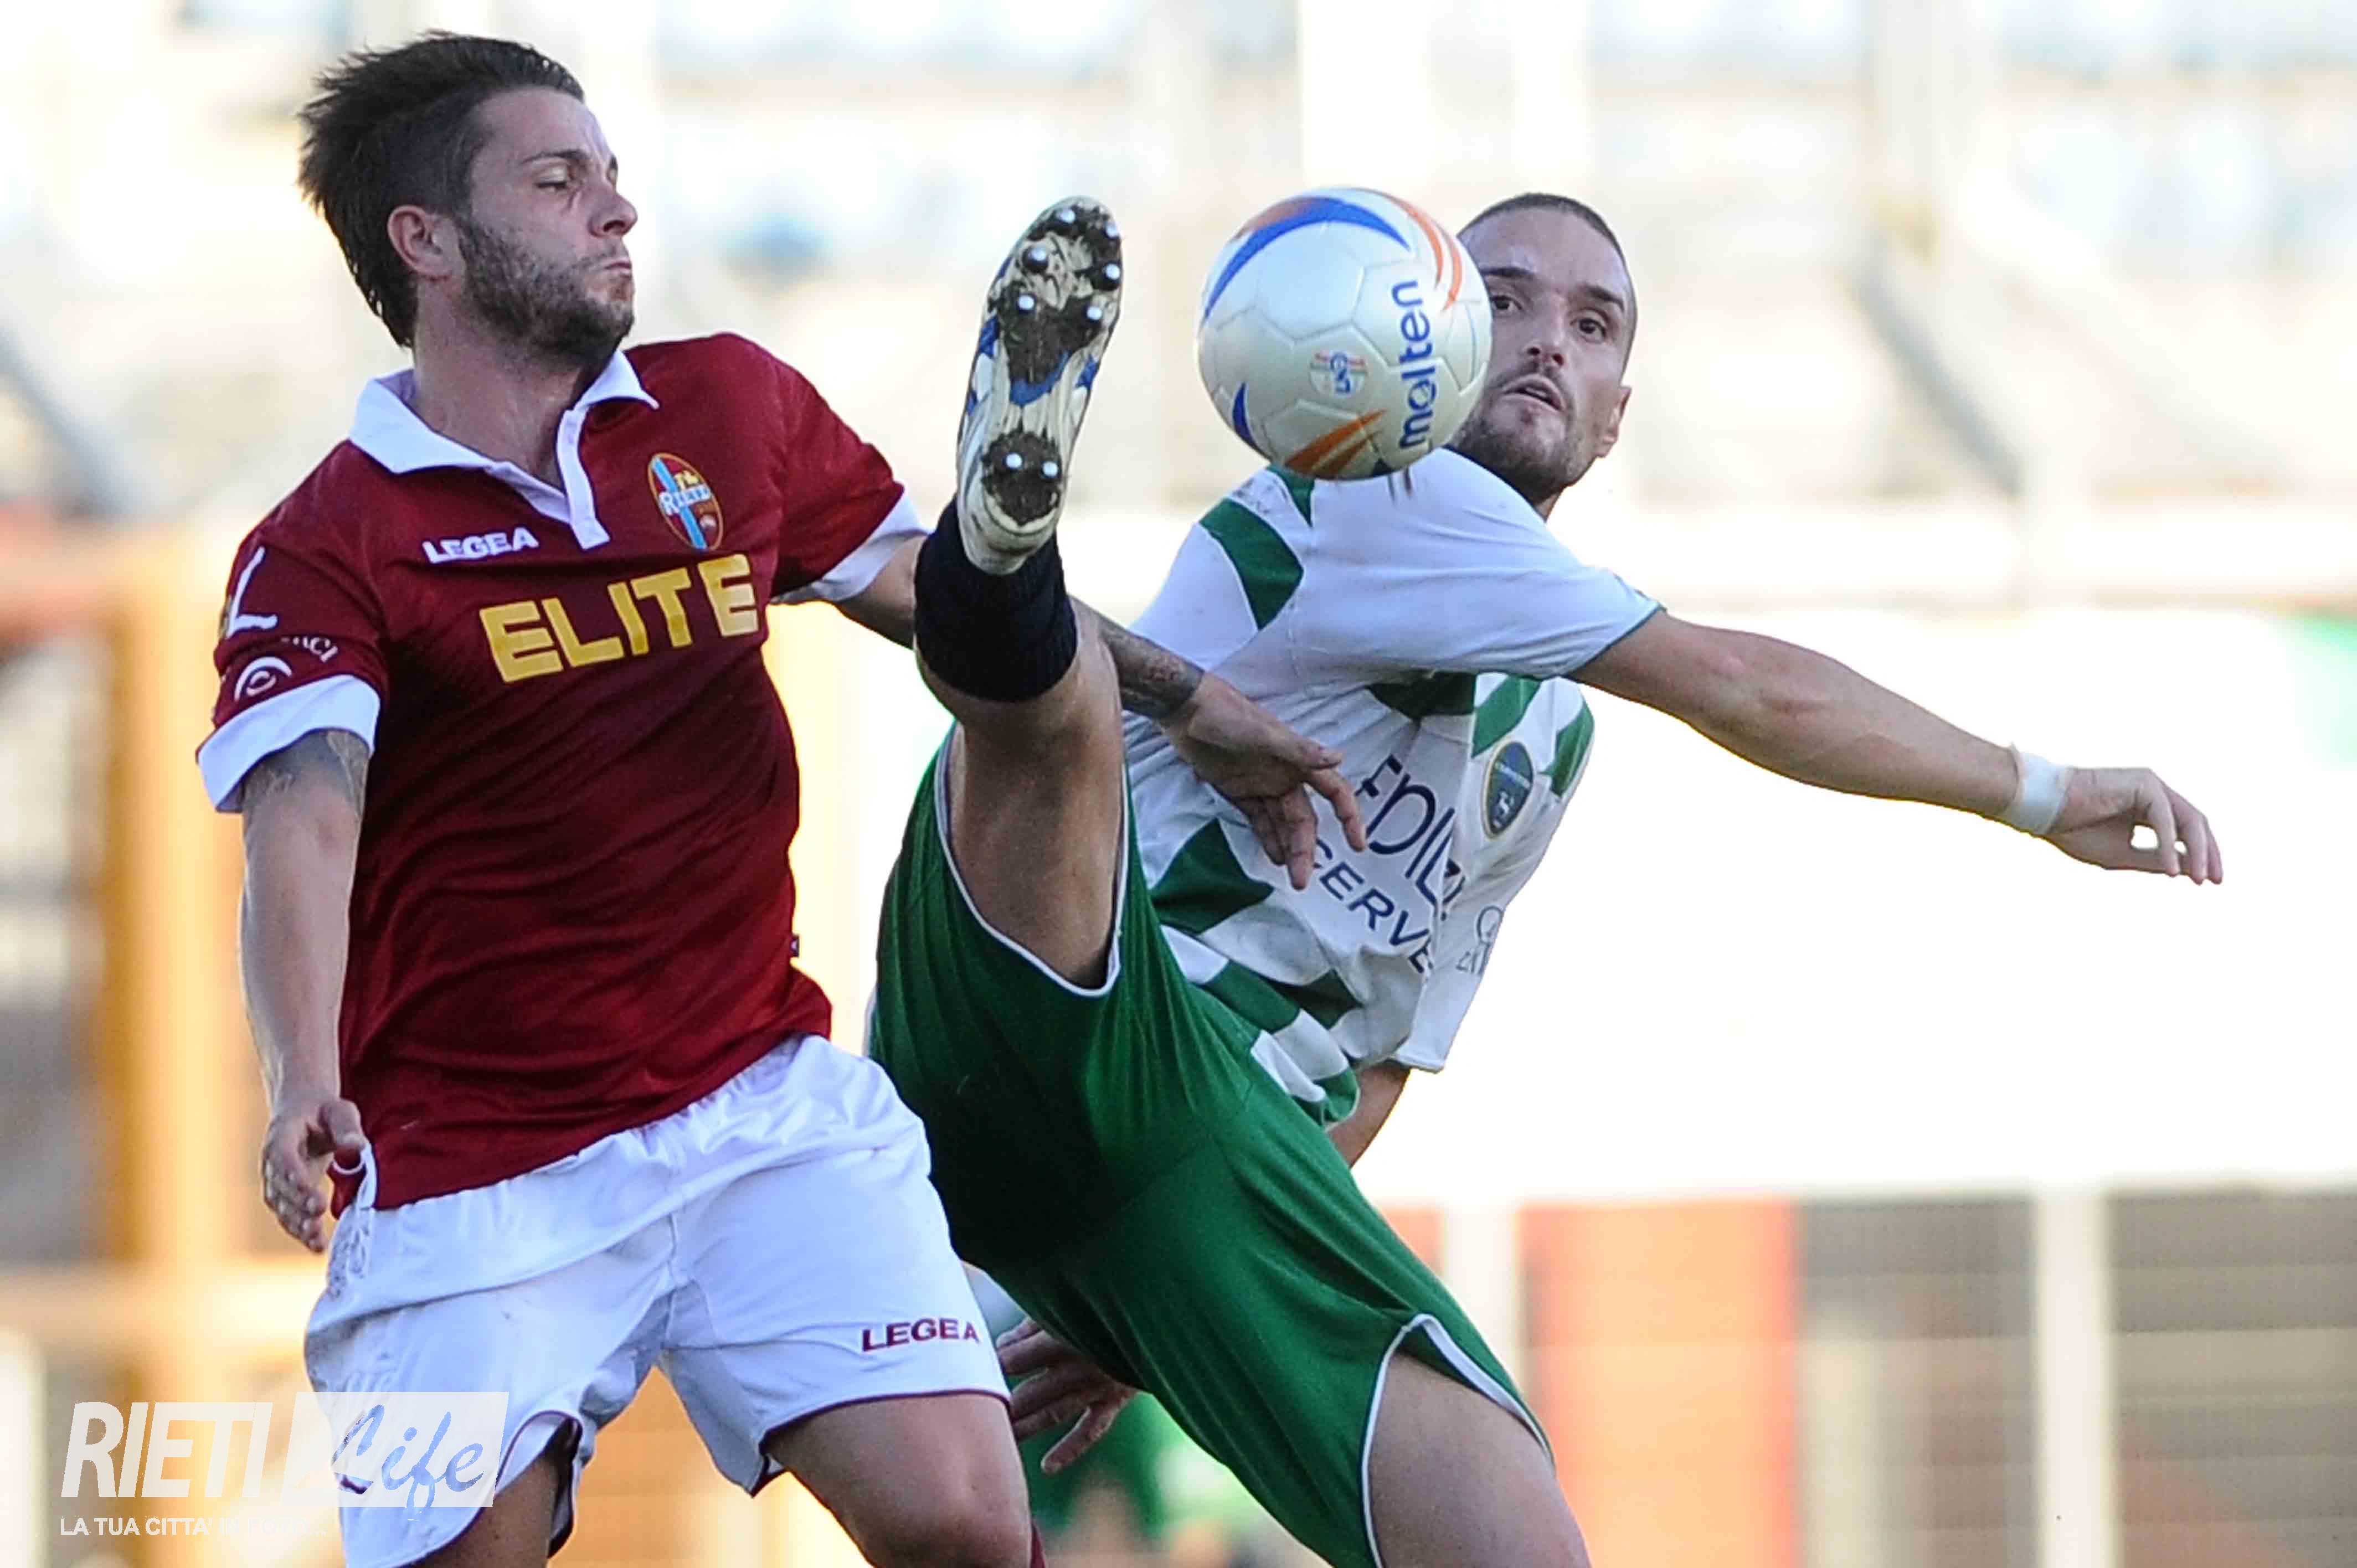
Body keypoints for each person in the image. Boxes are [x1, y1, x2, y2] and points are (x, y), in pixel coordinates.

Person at [867, 190, 2220, 1568]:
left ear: (1616, 414)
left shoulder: (1549, 740)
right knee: (1054, 719)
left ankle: (1007, 594)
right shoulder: (1376, 495)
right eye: (1503, 301)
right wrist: (2040, 791)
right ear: (1426, 343)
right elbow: (1745, 686)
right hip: (1052, 994)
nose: (1545, 343)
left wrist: (1163, 1300)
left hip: (1201, 1151)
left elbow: (1379, 1061)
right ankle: (1003, 571)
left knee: (1518, 1546)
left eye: (1592, 324)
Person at [204, 37, 1335, 1568]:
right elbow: (303, 816)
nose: (617, 209)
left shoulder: (728, 410)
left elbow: (942, 598)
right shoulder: (324, 544)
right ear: (428, 242)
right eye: (559, 182)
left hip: (759, 1109)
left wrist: (1190, 703)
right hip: (476, 1170)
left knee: (965, 1523)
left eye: (612, 175)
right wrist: (299, 1074)